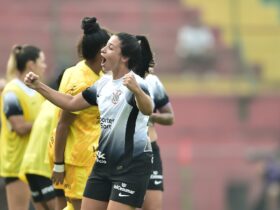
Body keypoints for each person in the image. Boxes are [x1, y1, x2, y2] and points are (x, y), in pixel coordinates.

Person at [24, 33, 154, 210]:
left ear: (124, 57)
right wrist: (39, 86)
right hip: (102, 165)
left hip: (130, 168)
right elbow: (70, 103)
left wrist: (137, 91)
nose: (103, 50)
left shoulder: (135, 83)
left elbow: (148, 109)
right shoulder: (103, 84)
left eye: (110, 47)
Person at [49, 17, 110, 210]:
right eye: (109, 49)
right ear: (101, 53)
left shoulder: (91, 72)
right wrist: (59, 164)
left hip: (93, 157)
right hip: (79, 160)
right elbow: (63, 124)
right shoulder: (80, 81)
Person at [0, 45, 46, 210]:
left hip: (36, 163)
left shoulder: (38, 90)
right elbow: (19, 127)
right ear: (30, 65)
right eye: (42, 61)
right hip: (17, 163)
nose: (44, 66)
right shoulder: (12, 92)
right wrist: (45, 124)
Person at [19, 70, 67, 210]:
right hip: (43, 166)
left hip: (29, 165)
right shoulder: (63, 107)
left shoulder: (46, 103)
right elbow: (58, 135)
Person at [140, 44, 175, 210]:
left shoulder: (153, 82)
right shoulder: (115, 82)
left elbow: (170, 117)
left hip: (150, 150)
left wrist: (152, 116)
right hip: (122, 152)